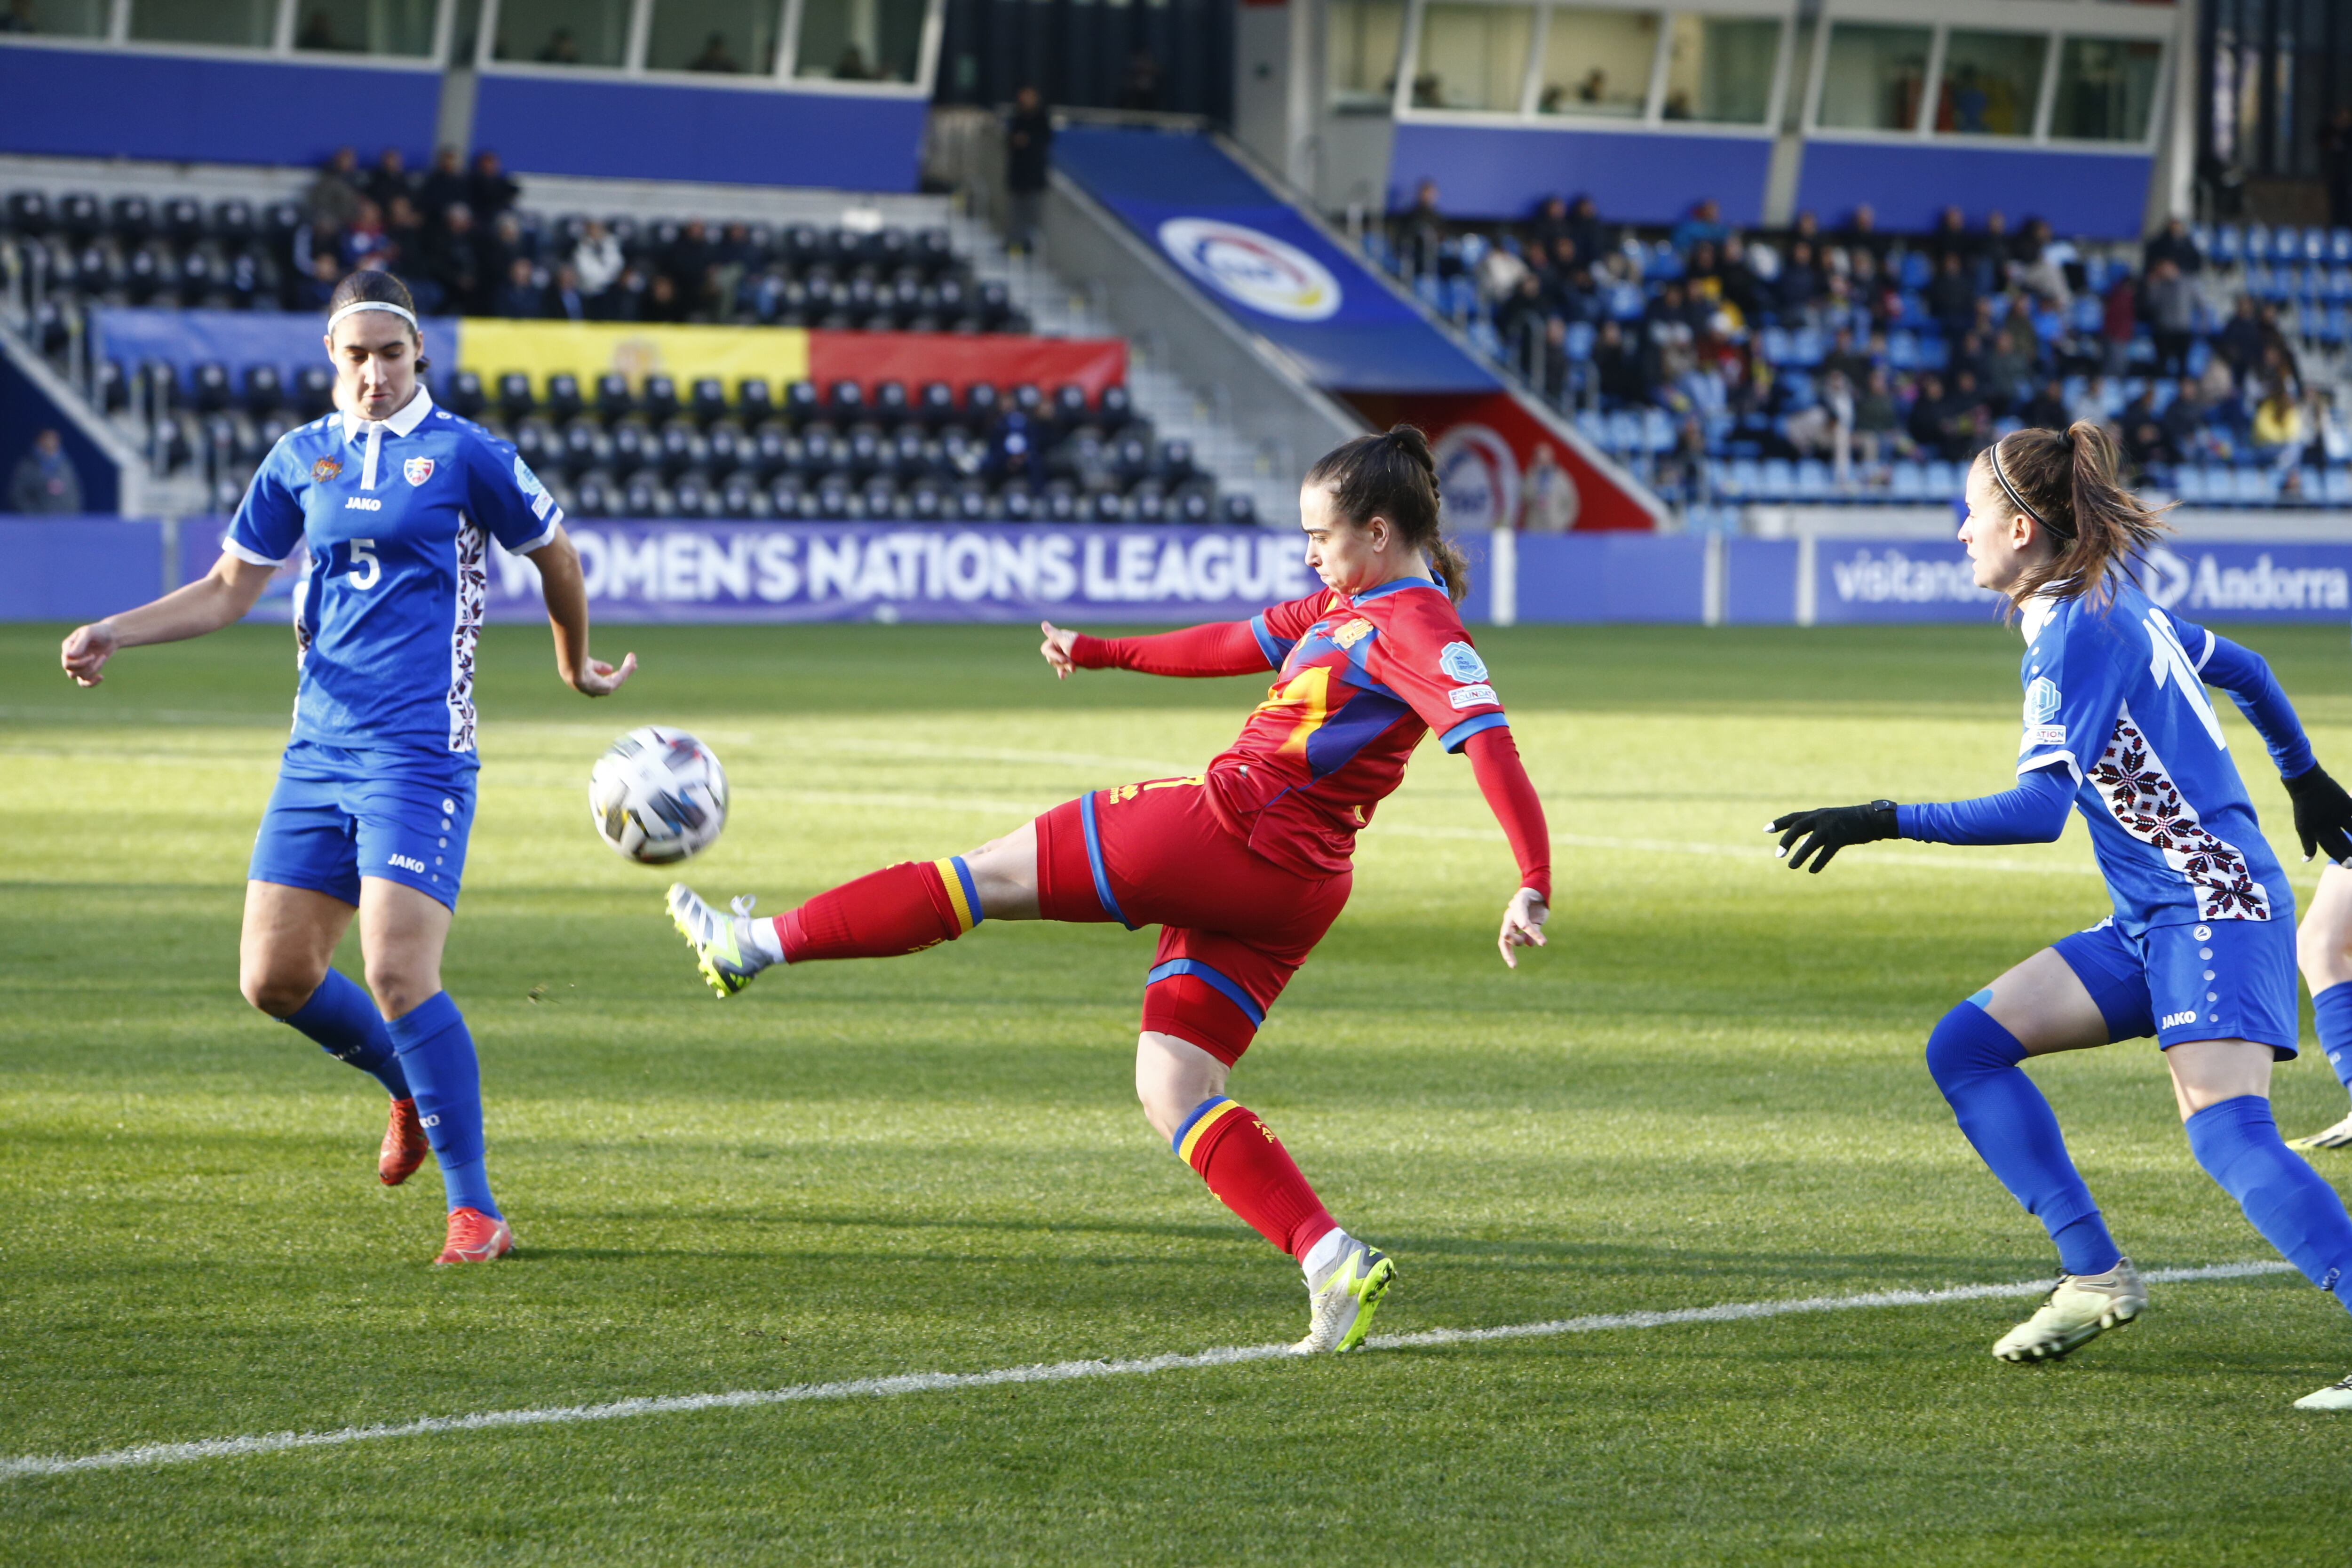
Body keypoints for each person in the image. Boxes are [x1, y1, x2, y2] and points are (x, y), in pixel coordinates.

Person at [662, 427, 1554, 1352]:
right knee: (1173, 1079)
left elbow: (1487, 741)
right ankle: (1328, 1256)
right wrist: (1102, 651)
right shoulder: (1347, 605)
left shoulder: (1417, 624)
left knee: (983, 878)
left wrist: (1531, 879)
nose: (1308, 554)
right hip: (1297, 884)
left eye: (1318, 536)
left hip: (1225, 830)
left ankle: (754, 943)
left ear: (1376, 532)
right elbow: (1228, 643)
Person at [1764, 422, 2352, 1409]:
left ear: (2025, 530)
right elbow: (2244, 665)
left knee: (2226, 1132)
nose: (1960, 533)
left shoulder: (2075, 634)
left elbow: (2037, 814)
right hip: (2157, 911)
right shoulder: (2103, 601)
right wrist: (2302, 774)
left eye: (1972, 513)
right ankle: (2094, 1274)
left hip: (2209, 900)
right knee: (1965, 1045)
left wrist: (1877, 818)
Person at [56, 271, 637, 1265]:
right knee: (274, 977)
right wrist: (115, 628)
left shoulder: (466, 454)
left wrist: (570, 661)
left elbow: (557, 556)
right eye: (355, 355)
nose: (373, 372)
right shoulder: (300, 458)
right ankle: (408, 1088)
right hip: (317, 750)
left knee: (400, 973)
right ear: (334, 358)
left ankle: (476, 1208)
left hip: (419, 753)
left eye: (390, 353)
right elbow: (228, 588)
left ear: (420, 356)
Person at [1006, 86, 1052, 256]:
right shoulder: (1017, 118)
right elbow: (1009, 142)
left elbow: (1044, 141)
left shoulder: (1041, 120)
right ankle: (1015, 247)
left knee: (1033, 215)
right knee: (1016, 214)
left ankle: (1032, 248)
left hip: (1034, 178)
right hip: (1018, 177)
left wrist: (1029, 141)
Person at [9, 428, 82, 514]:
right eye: (47, 440)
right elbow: (18, 495)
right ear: (39, 442)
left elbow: (75, 493)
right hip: (35, 523)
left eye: (54, 441)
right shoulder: (27, 467)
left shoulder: (66, 466)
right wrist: (32, 514)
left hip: (64, 522)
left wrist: (70, 515)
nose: (50, 444)